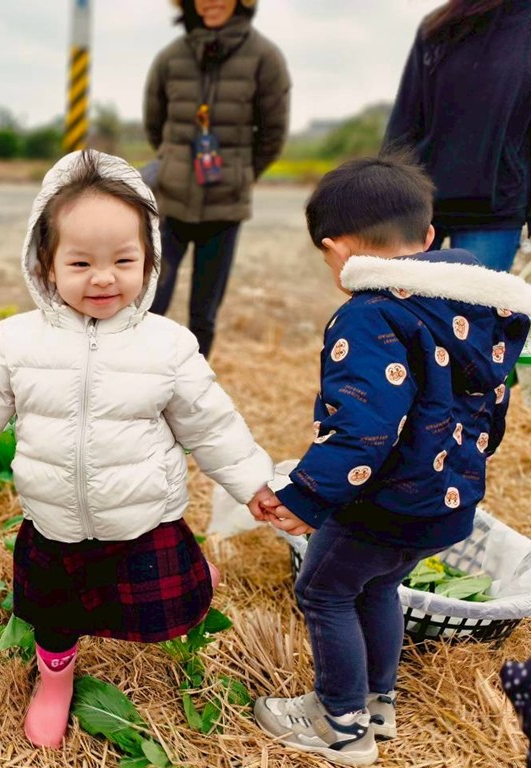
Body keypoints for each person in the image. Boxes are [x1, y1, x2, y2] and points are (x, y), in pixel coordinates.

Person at [0, 149, 277, 749]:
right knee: (54, 615)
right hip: (54, 522)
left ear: (150, 260)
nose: (104, 278)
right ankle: (54, 681)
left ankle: (197, 575)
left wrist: (254, 484)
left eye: (123, 261)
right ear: (46, 265)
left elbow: (212, 426)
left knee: (169, 597)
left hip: (141, 516)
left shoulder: (167, 345)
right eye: (81, 262)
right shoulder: (15, 340)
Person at [252, 155, 531, 766]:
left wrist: (306, 496)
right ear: (428, 236)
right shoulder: (476, 311)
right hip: (448, 502)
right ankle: (379, 705)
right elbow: (493, 413)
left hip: (383, 503)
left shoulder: (370, 314)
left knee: (324, 590)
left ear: (337, 250)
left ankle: (341, 725)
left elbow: (363, 431)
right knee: (379, 586)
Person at [143, 0, 290, 357]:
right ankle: (141, 377)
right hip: (170, 201)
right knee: (149, 302)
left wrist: (241, 174)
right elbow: (154, 124)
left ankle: (192, 382)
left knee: (204, 314)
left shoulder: (265, 57)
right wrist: (174, 163)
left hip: (225, 207)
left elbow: (273, 133)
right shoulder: (170, 57)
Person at [383, 0, 531, 273]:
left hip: (495, 208)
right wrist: (384, 199)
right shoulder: (439, 27)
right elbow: (404, 122)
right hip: (418, 203)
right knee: (403, 298)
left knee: (474, 302)